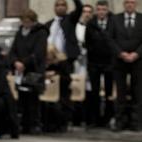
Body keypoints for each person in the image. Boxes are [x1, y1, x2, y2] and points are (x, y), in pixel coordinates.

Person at [9, 9, 49, 135]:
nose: (25, 24)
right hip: (20, 70)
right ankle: (23, 124)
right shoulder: (19, 33)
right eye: (23, 21)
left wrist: (24, 63)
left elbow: (38, 53)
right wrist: (15, 61)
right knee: (22, 97)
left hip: (33, 70)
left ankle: (34, 124)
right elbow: (13, 50)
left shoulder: (40, 33)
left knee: (33, 98)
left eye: (28, 22)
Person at [45, 0, 83, 130]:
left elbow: (79, 8)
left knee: (64, 92)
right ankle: (50, 120)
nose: (60, 7)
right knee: (49, 90)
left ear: (66, 8)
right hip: (50, 63)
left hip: (65, 62)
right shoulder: (49, 24)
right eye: (57, 5)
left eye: (63, 5)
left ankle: (63, 121)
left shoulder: (70, 20)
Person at [110, 0, 142, 131]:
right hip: (119, 61)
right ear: (124, 4)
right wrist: (120, 53)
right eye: (127, 2)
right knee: (120, 92)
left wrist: (137, 54)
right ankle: (120, 121)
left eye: (132, 2)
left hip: (138, 61)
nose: (130, 5)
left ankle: (136, 122)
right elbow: (110, 38)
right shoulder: (115, 19)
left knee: (138, 92)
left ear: (136, 4)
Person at [85, 0, 115, 128]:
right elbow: (87, 41)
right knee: (94, 92)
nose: (101, 12)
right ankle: (95, 119)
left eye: (103, 9)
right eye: (99, 9)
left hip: (109, 62)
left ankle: (108, 118)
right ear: (96, 11)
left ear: (107, 10)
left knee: (109, 92)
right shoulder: (91, 24)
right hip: (94, 62)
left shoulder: (113, 22)